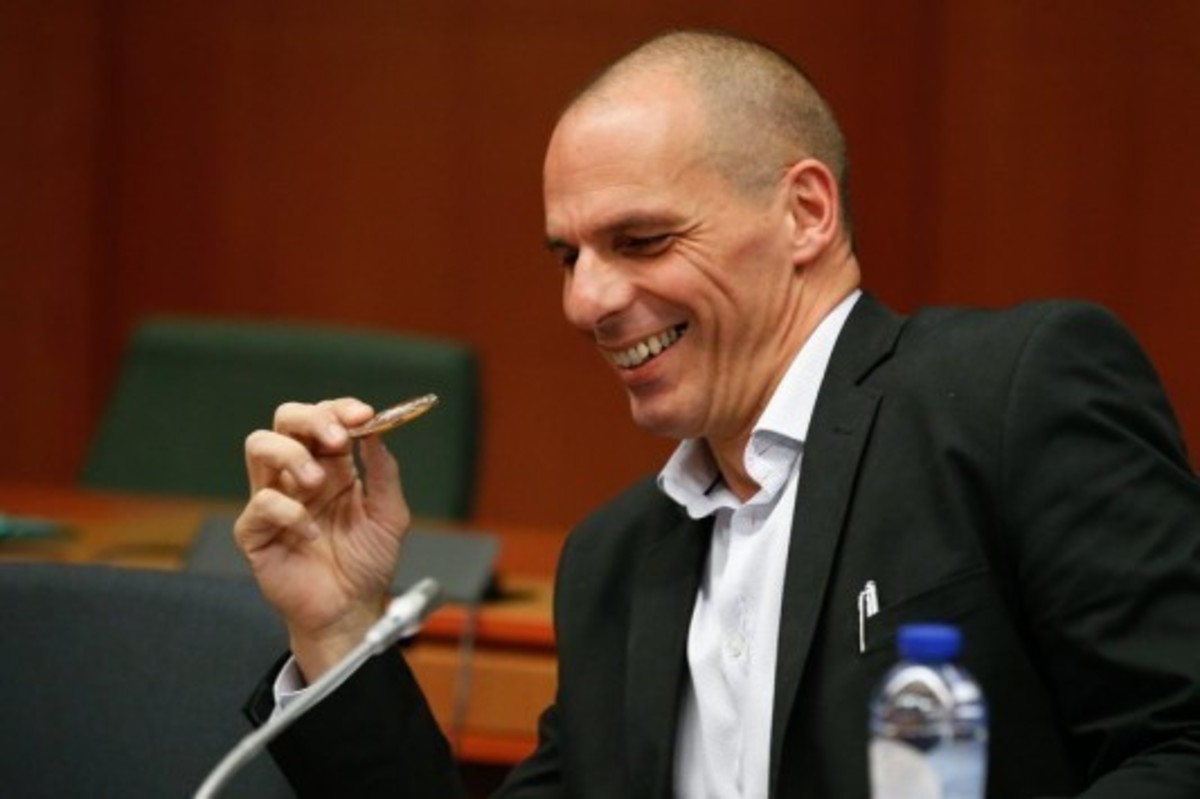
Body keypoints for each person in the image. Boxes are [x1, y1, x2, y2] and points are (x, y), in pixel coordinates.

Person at [234, 28, 1200, 798]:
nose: (586, 300)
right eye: (569, 256)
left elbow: (1181, 740)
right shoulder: (612, 563)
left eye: (641, 239)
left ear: (806, 213)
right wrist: (340, 630)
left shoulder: (1006, 395)